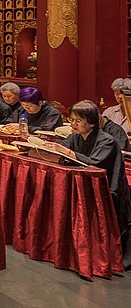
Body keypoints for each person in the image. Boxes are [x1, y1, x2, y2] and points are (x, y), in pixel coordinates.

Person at [53, 101, 131, 269]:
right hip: (86, 186)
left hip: (107, 189)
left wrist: (69, 153)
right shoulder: (76, 136)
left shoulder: (107, 141)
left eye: (78, 120)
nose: (72, 124)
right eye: (71, 119)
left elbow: (95, 164)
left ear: (93, 123)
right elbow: (61, 147)